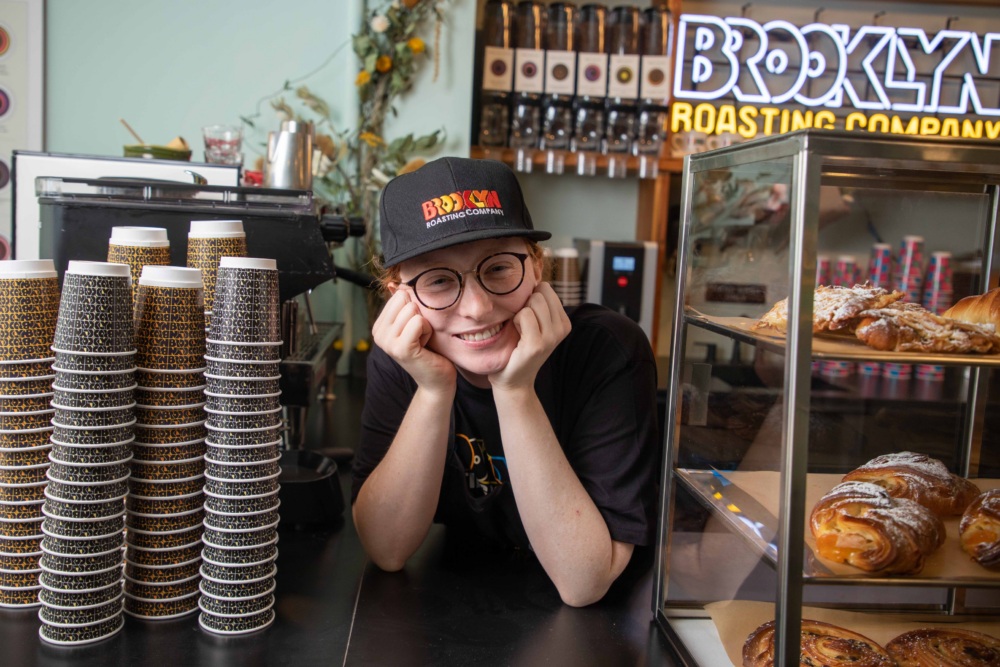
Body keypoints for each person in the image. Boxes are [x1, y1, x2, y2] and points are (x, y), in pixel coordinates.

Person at [351, 157, 660, 607]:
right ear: (398, 296)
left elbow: (583, 582)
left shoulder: (606, 349)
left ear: (536, 266)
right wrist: (433, 390)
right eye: (439, 281)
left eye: (497, 268)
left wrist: (515, 391)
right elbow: (387, 550)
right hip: (460, 607)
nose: (476, 308)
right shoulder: (403, 358)